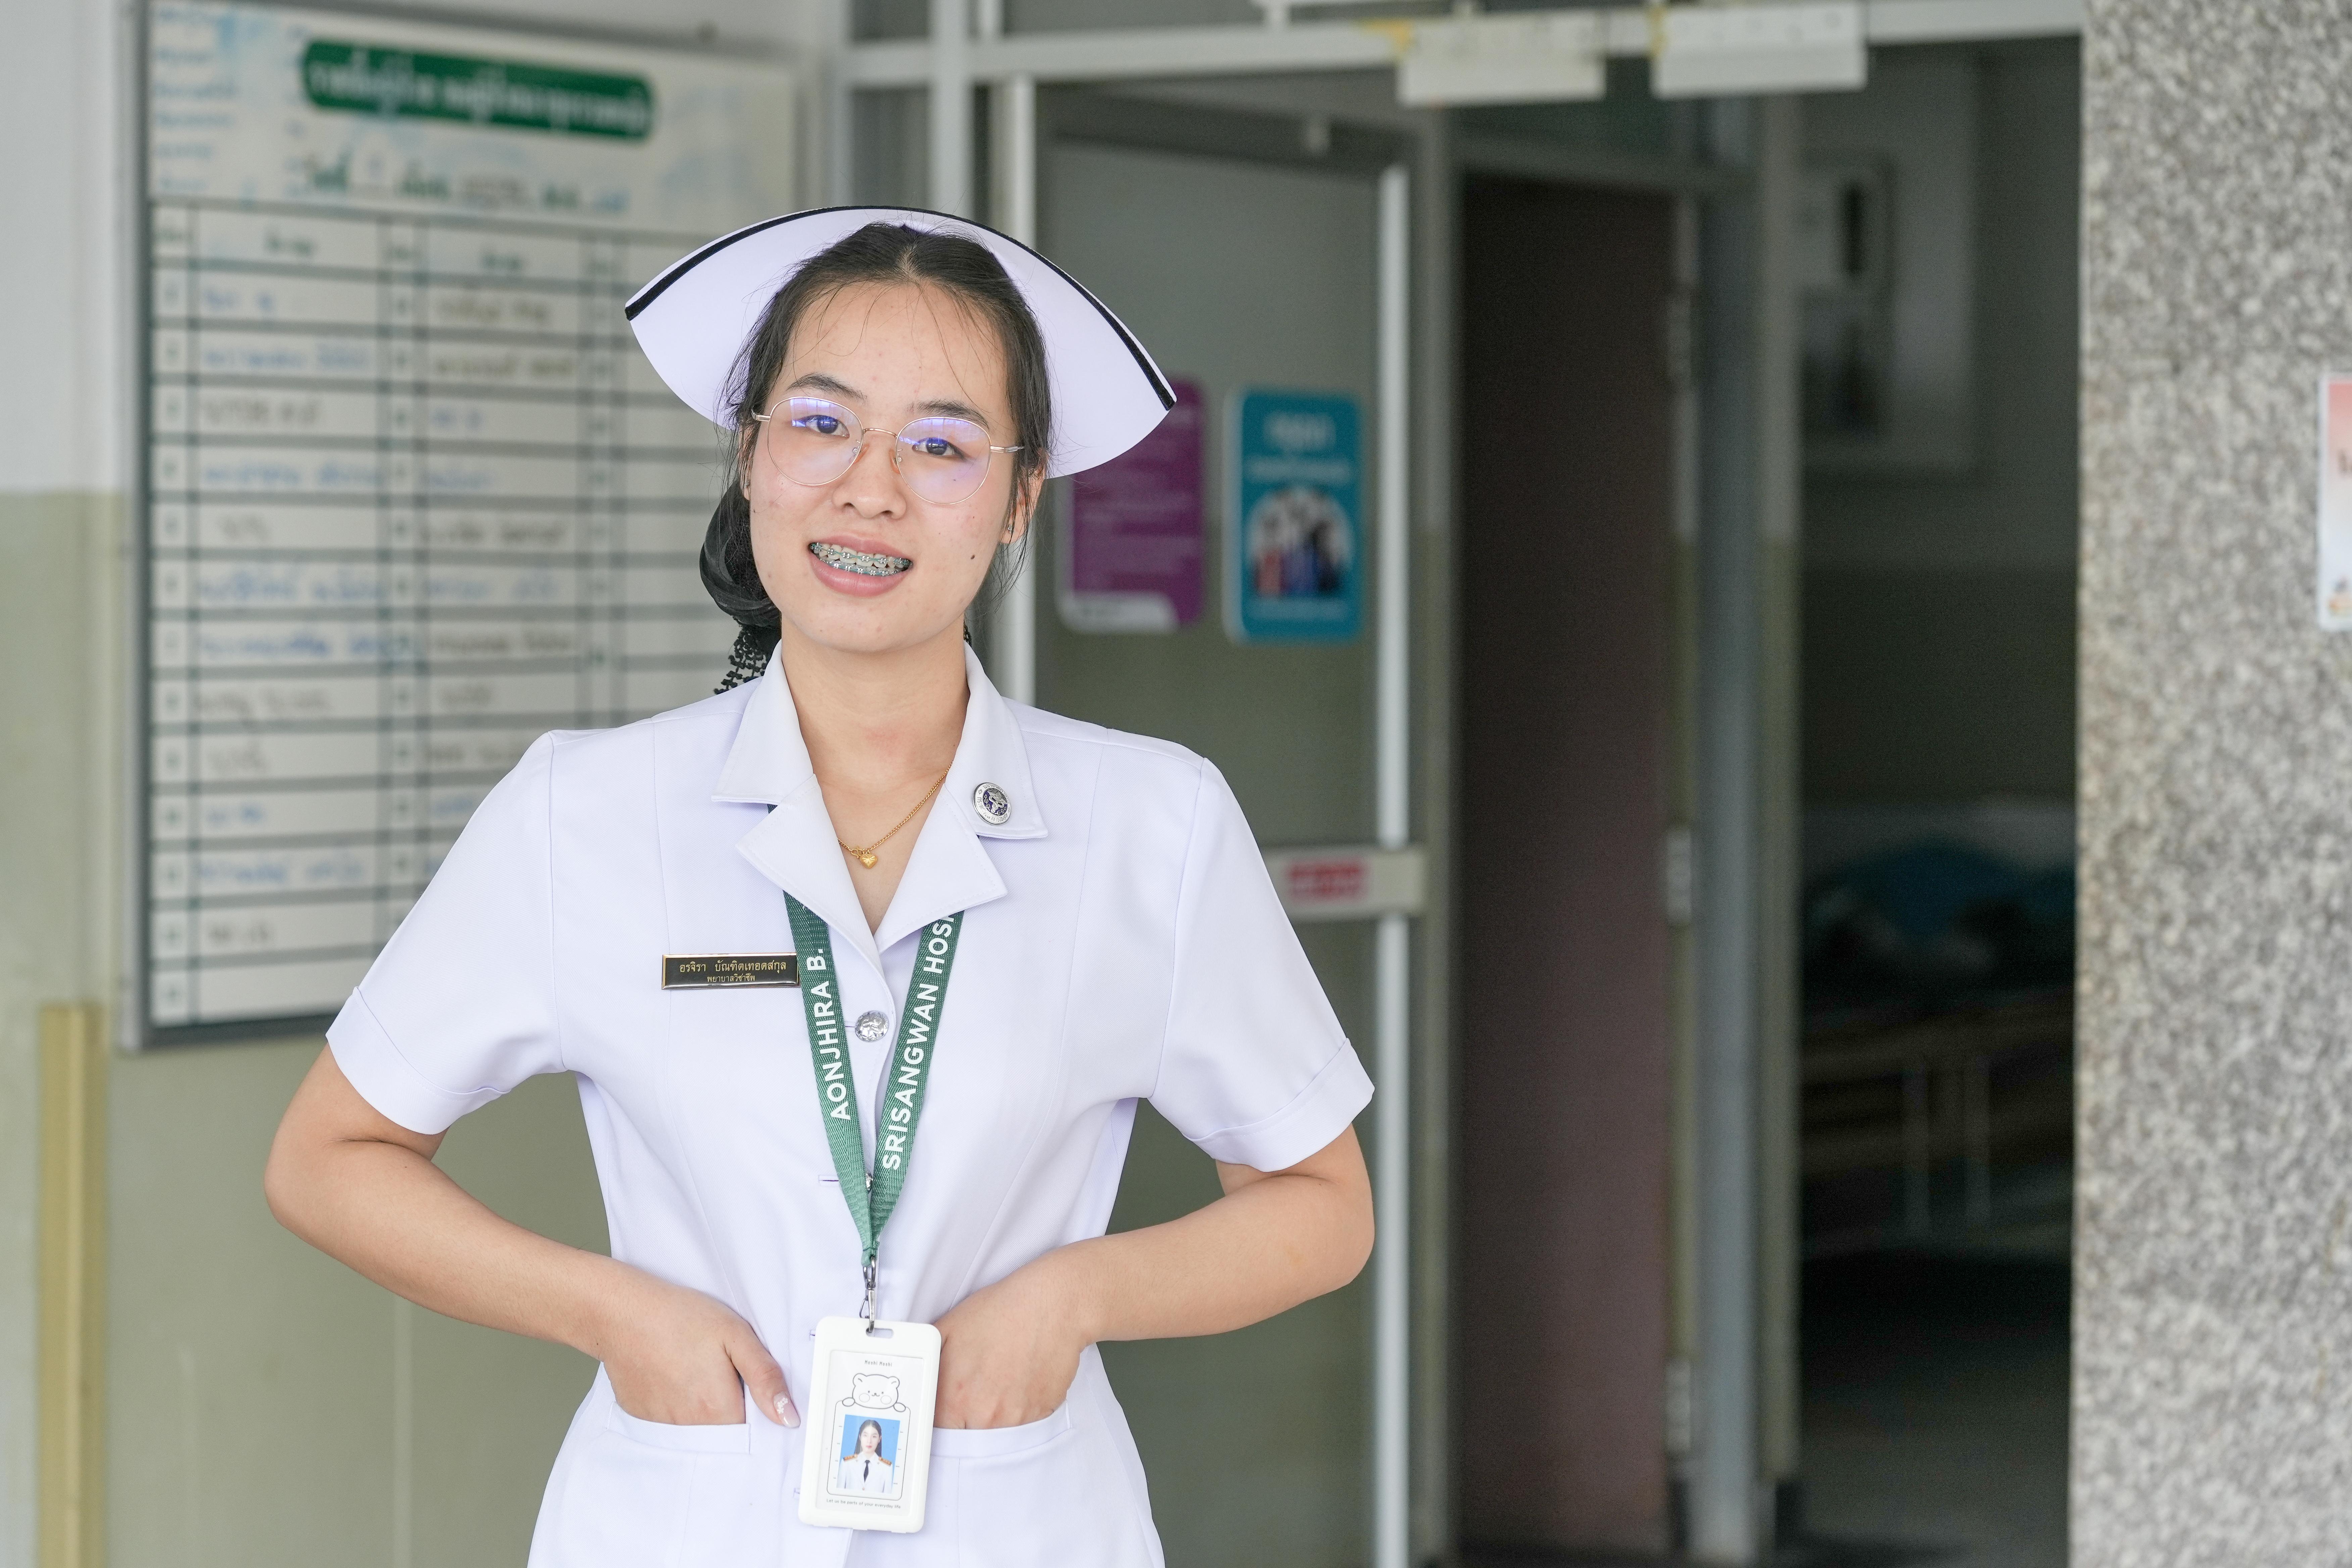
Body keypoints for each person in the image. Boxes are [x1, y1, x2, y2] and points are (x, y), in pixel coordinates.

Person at [263, 209, 1375, 1567]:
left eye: (945, 444)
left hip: (1018, 1522)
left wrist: (1078, 1296)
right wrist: (610, 1310)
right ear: (752, 453)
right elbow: (330, 1159)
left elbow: (1322, 1203)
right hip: (677, 1523)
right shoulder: (586, 812)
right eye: (821, 422)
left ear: (1022, 498)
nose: (871, 488)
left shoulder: (1155, 823)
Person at [837, 1419, 894, 1496]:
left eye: (874, 1437)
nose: (869, 1441)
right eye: (865, 1436)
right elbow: (838, 1495)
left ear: (880, 1439)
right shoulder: (846, 1464)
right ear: (860, 1437)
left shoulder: (887, 1468)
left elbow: (888, 1501)